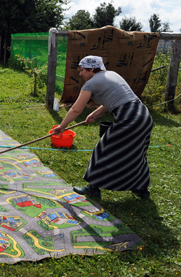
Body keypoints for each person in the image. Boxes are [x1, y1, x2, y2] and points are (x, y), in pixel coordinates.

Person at [52, 56, 153, 199]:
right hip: (143, 114)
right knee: (136, 152)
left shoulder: (91, 83)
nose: (80, 74)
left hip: (128, 117)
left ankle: (93, 188)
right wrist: (94, 114)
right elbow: (113, 99)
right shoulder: (111, 75)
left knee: (103, 150)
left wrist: (62, 126)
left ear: (92, 69)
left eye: (82, 70)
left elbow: (76, 109)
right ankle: (141, 189)